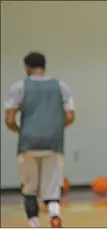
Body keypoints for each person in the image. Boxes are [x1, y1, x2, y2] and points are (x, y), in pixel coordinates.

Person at [4, 51, 75, 228]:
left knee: (29, 188)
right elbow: (70, 115)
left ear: (27, 68)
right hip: (53, 141)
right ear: (44, 67)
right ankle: (54, 215)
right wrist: (55, 128)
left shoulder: (20, 87)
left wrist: (20, 131)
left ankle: (34, 224)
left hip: (28, 142)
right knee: (52, 187)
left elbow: (10, 119)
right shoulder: (61, 86)